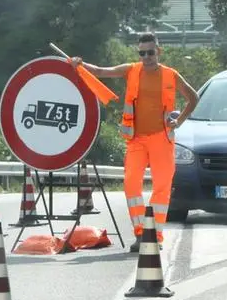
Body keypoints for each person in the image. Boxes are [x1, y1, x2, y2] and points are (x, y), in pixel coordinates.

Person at [69, 33, 199, 252]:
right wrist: (79, 64)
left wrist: (180, 120)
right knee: (130, 184)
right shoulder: (131, 70)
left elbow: (193, 97)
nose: (146, 57)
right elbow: (102, 72)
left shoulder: (171, 75)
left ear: (159, 51)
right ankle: (140, 234)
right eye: (142, 53)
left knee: (162, 188)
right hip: (136, 140)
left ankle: (154, 235)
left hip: (162, 139)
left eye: (150, 52)